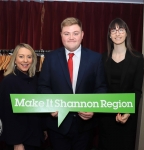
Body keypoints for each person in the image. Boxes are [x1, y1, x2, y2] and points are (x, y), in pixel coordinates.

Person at [38, 17, 107, 150]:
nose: (71, 37)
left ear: (82, 35)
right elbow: (43, 86)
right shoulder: (50, 58)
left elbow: (101, 88)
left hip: (85, 127)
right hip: (57, 125)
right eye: (66, 33)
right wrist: (51, 104)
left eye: (75, 33)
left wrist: (94, 108)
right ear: (61, 35)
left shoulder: (96, 58)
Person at [98, 18, 144, 150]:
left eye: (121, 30)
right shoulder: (102, 58)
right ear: (109, 34)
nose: (117, 33)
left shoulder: (137, 58)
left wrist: (128, 112)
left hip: (127, 116)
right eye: (114, 30)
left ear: (127, 33)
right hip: (105, 116)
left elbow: (137, 90)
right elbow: (100, 86)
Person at [0, 43, 45, 150]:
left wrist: (43, 129)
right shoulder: (8, 81)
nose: (25, 60)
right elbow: (7, 115)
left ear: (33, 60)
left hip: (35, 137)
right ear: (15, 60)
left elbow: (38, 107)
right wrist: (17, 143)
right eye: (21, 56)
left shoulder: (35, 79)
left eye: (29, 57)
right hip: (20, 141)